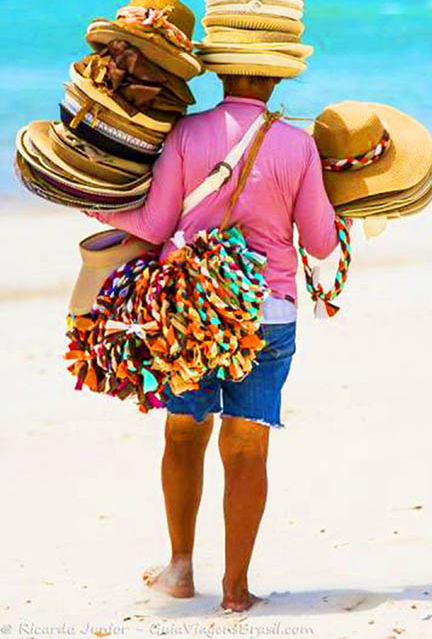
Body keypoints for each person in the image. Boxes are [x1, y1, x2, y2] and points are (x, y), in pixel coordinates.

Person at [87, 72, 342, 611]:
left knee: (183, 433)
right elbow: (319, 241)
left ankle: (180, 570)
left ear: (221, 69)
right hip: (268, 314)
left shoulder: (184, 134)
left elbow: (156, 225)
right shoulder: (298, 145)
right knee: (248, 444)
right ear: (277, 74)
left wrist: (97, 206)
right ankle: (235, 589)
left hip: (189, 313)